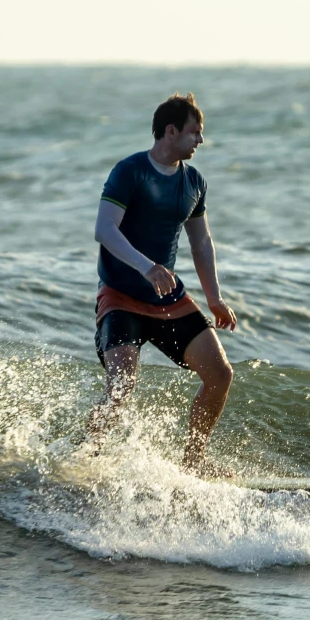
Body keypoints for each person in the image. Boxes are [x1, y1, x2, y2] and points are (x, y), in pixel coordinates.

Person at [87, 92, 237, 468]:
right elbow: (105, 229)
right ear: (170, 131)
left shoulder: (194, 182)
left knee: (220, 374)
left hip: (167, 300)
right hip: (120, 296)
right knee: (122, 386)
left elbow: (201, 242)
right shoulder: (130, 171)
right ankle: (86, 458)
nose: (200, 140)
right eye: (194, 132)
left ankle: (194, 461)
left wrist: (214, 298)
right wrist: (147, 266)